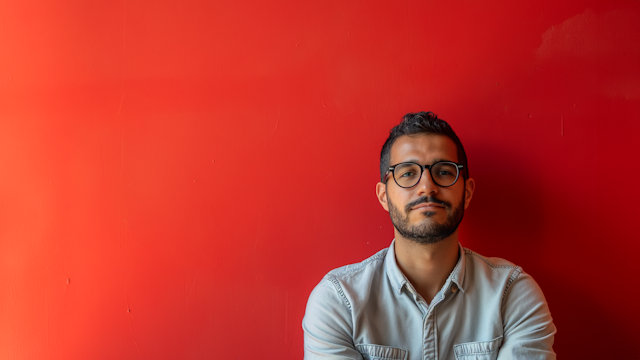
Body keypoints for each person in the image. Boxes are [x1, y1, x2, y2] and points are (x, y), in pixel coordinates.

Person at [302, 112, 556, 360]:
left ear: (466, 193)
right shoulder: (338, 301)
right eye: (408, 173)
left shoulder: (512, 295)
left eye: (444, 171)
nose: (427, 187)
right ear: (384, 196)